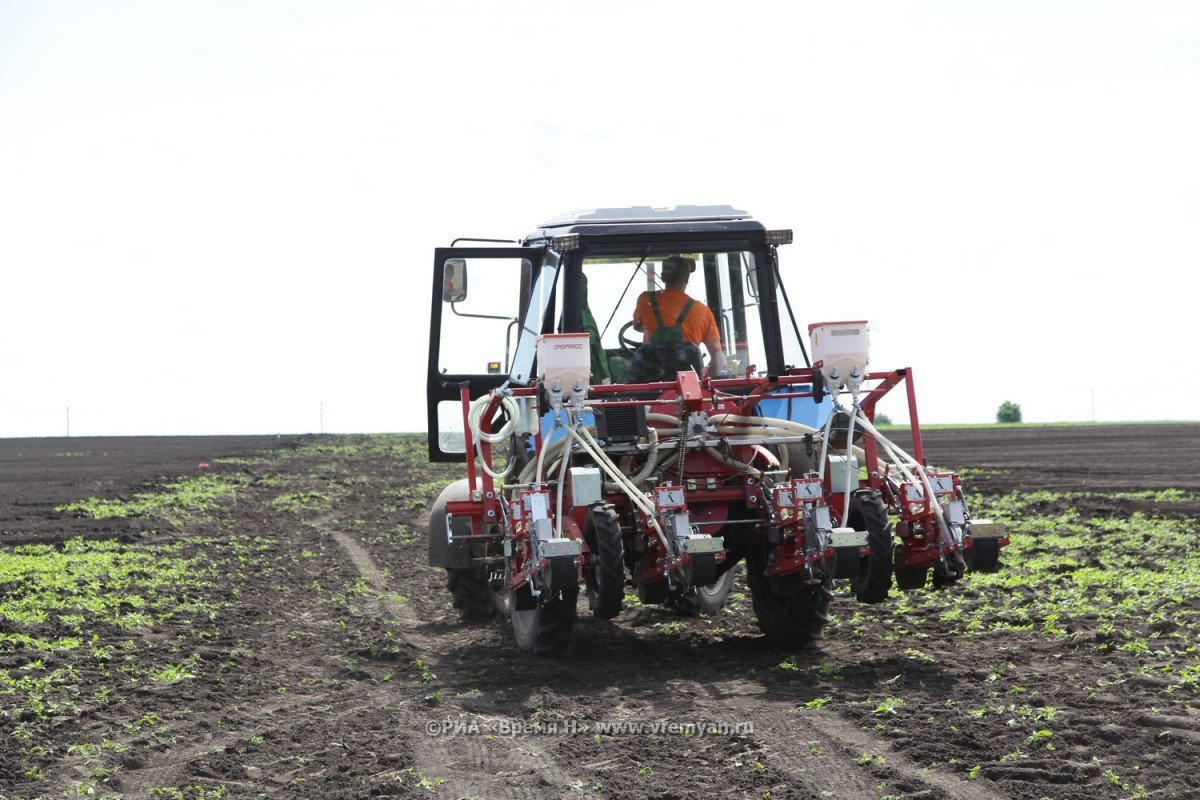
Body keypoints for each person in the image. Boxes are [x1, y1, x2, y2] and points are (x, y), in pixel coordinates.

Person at [629, 255, 728, 380]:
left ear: (663, 277)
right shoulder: (702, 311)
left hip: (648, 391)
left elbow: (637, 326)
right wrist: (704, 377)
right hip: (690, 390)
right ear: (686, 279)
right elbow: (718, 359)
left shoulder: (645, 299)